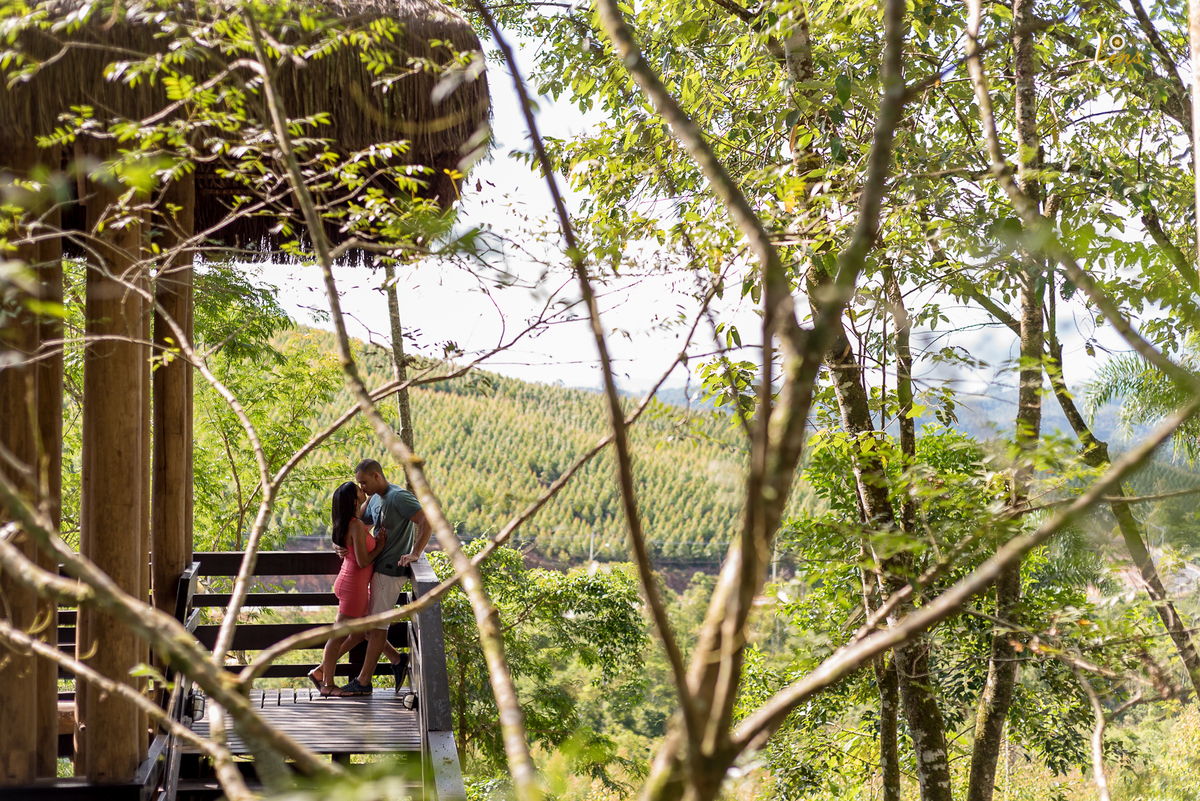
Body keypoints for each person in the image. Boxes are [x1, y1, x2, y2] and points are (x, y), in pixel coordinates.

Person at [334, 458, 431, 695]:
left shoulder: (398, 497)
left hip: (390, 572)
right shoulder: (374, 500)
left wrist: (415, 552)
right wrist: (338, 544)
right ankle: (398, 660)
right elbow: (352, 523)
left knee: (377, 627)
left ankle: (364, 681)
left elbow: (426, 519)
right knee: (369, 625)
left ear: (376, 476)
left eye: (364, 482)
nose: (362, 488)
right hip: (376, 571)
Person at [310, 481, 388, 697]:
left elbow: (369, 499)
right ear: (354, 500)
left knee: (358, 634)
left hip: (353, 582)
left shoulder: (353, 522)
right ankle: (327, 684)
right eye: (358, 490)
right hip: (353, 585)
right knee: (337, 636)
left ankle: (321, 671)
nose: (362, 491)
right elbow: (363, 562)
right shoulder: (354, 525)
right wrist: (380, 546)